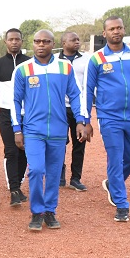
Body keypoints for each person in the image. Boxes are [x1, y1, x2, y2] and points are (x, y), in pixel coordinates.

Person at [12, 30, 89, 231]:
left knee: (54, 174)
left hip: (57, 130)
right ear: (33, 43)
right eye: (37, 41)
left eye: (46, 41)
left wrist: (80, 120)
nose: (41, 45)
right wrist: (16, 129)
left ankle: (50, 211)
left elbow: (75, 95)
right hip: (33, 130)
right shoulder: (23, 70)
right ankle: (36, 212)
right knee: (36, 170)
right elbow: (14, 101)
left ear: (53, 43)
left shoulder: (65, 68)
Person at [86, 16, 130, 222]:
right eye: (111, 29)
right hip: (109, 118)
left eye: (119, 28)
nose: (116, 31)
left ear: (123, 30)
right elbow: (87, 90)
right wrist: (85, 119)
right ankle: (121, 204)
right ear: (104, 33)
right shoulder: (97, 59)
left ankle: (112, 184)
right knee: (115, 158)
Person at [0, 28, 31, 206]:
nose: (14, 42)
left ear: (21, 41)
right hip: (6, 114)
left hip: (27, 114)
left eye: (17, 39)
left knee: (25, 151)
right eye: (11, 39)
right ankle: (13, 189)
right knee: (11, 150)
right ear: (5, 42)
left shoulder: (29, 63)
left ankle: (18, 184)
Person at [57, 31, 89, 191]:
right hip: (59, 108)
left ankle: (76, 178)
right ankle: (59, 174)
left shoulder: (86, 60)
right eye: (73, 40)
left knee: (80, 143)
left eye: (78, 39)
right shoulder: (54, 60)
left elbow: (90, 84)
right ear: (63, 43)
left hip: (79, 107)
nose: (77, 42)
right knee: (59, 142)